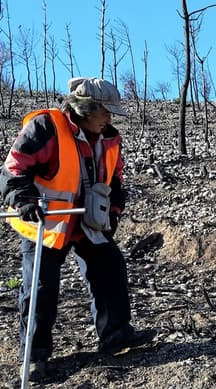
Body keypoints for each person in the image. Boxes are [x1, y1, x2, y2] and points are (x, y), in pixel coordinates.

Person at [0, 77, 156, 380]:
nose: (110, 118)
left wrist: (113, 212)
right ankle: (33, 356)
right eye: (105, 112)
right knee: (39, 288)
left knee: (110, 267)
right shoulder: (46, 127)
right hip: (45, 223)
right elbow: (13, 169)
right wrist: (24, 199)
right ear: (85, 108)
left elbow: (115, 181)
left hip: (87, 222)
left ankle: (116, 336)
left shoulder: (109, 137)